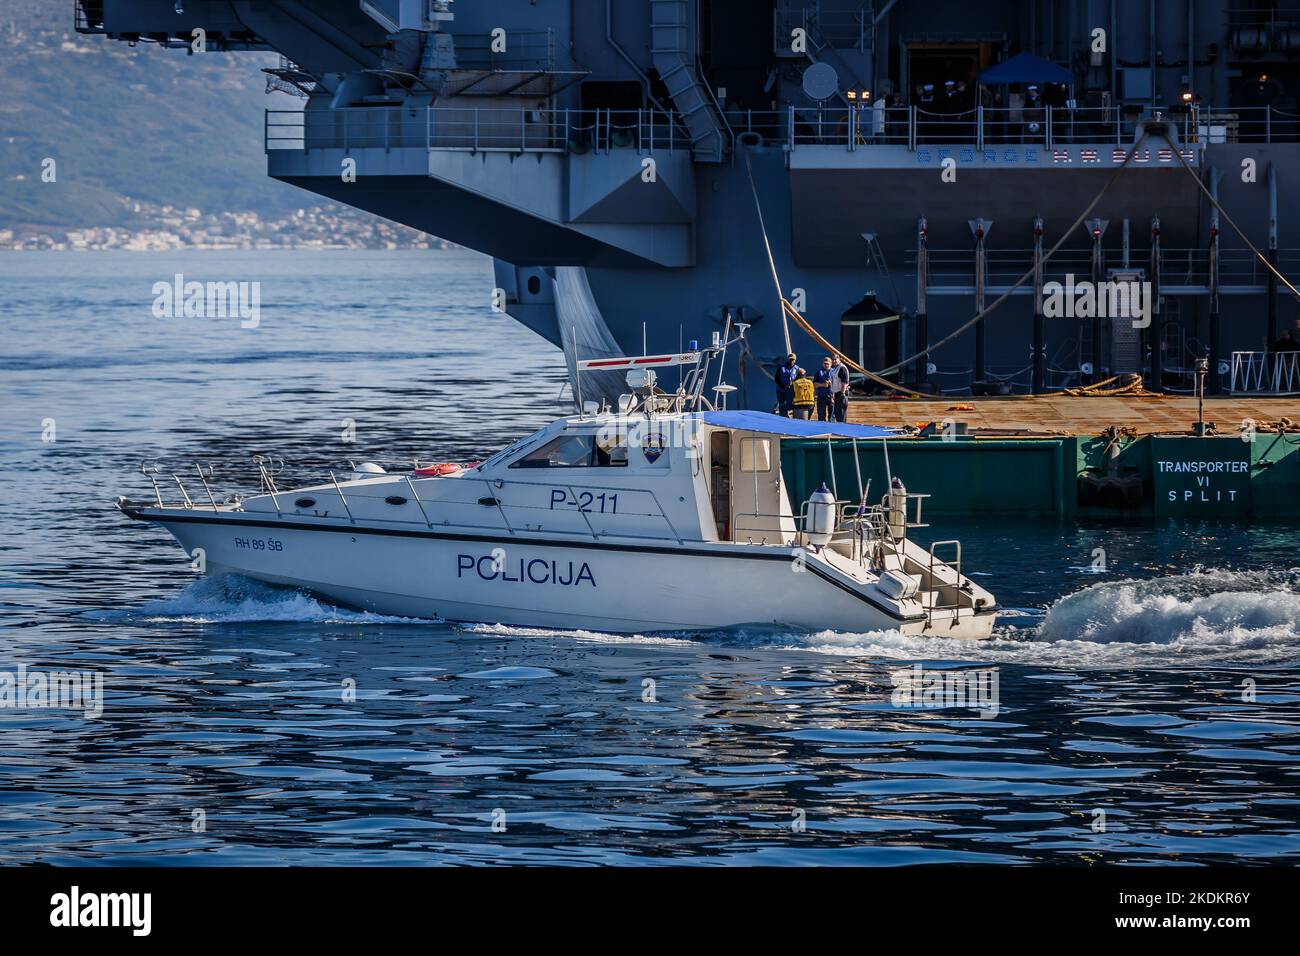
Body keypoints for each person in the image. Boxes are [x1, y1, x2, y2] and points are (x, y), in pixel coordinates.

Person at [829, 353, 851, 422]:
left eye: (835, 359)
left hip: (841, 394)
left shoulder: (842, 368)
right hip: (837, 393)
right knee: (837, 413)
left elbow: (844, 382)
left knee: (841, 414)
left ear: (839, 359)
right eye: (832, 359)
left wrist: (842, 393)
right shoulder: (835, 369)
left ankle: (842, 430)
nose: (834, 361)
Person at [813, 356, 835, 421]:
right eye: (825, 363)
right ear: (822, 364)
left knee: (832, 417)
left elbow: (839, 384)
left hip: (832, 396)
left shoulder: (834, 372)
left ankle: (831, 429)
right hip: (821, 396)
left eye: (827, 364)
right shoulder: (819, 372)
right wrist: (823, 384)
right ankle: (822, 429)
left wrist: (832, 384)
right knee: (821, 416)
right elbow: (814, 384)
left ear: (831, 364)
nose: (826, 365)